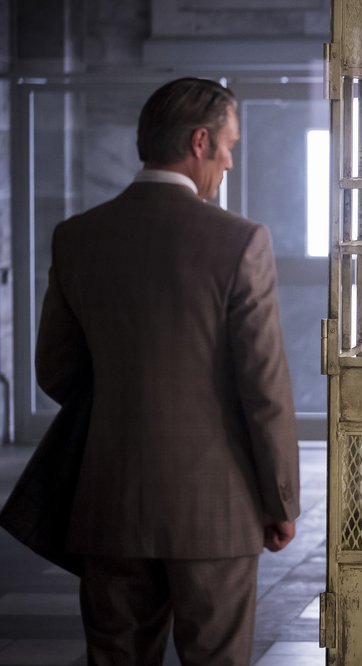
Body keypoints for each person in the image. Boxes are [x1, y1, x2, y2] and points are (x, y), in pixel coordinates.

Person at [34, 77, 300, 665]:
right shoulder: (239, 241)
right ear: (200, 142)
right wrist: (280, 498)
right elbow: (264, 390)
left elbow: (54, 370)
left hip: (108, 500)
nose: (229, 162)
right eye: (229, 146)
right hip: (216, 510)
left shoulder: (77, 238)